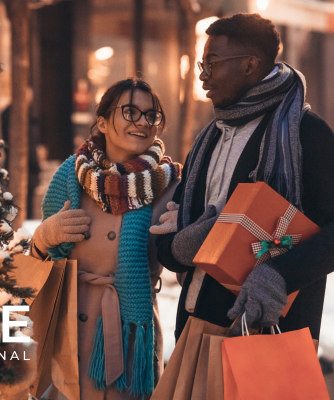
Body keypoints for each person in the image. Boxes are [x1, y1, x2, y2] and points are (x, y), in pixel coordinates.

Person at [155, 13, 334, 341]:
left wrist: (277, 275)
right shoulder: (209, 137)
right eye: (201, 65)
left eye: (212, 63)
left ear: (250, 65)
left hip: (269, 334)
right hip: (195, 325)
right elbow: (169, 241)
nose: (203, 77)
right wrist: (182, 245)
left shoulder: (308, 134)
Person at [31, 78, 181, 399]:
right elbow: (37, 269)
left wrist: (186, 236)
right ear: (102, 122)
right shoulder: (69, 177)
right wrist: (45, 236)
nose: (142, 122)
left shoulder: (171, 186)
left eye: (150, 115)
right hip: (68, 332)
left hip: (129, 336)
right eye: (130, 112)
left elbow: (185, 271)